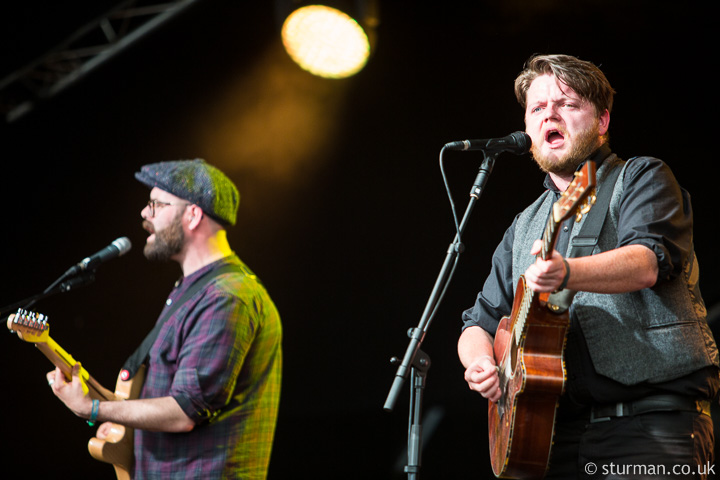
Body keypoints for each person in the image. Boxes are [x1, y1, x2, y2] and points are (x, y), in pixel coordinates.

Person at [458, 54, 719, 478]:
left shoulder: (641, 177)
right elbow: (478, 324)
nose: (550, 115)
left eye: (567, 104)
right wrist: (480, 365)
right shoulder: (522, 225)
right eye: (538, 108)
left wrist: (569, 272)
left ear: (601, 122)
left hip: (650, 426)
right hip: (552, 439)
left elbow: (648, 261)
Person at [47, 159, 282, 479]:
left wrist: (94, 409)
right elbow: (169, 401)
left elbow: (184, 411)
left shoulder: (226, 295)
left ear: (193, 214)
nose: (145, 214)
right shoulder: (194, 290)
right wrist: (124, 423)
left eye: (156, 204)